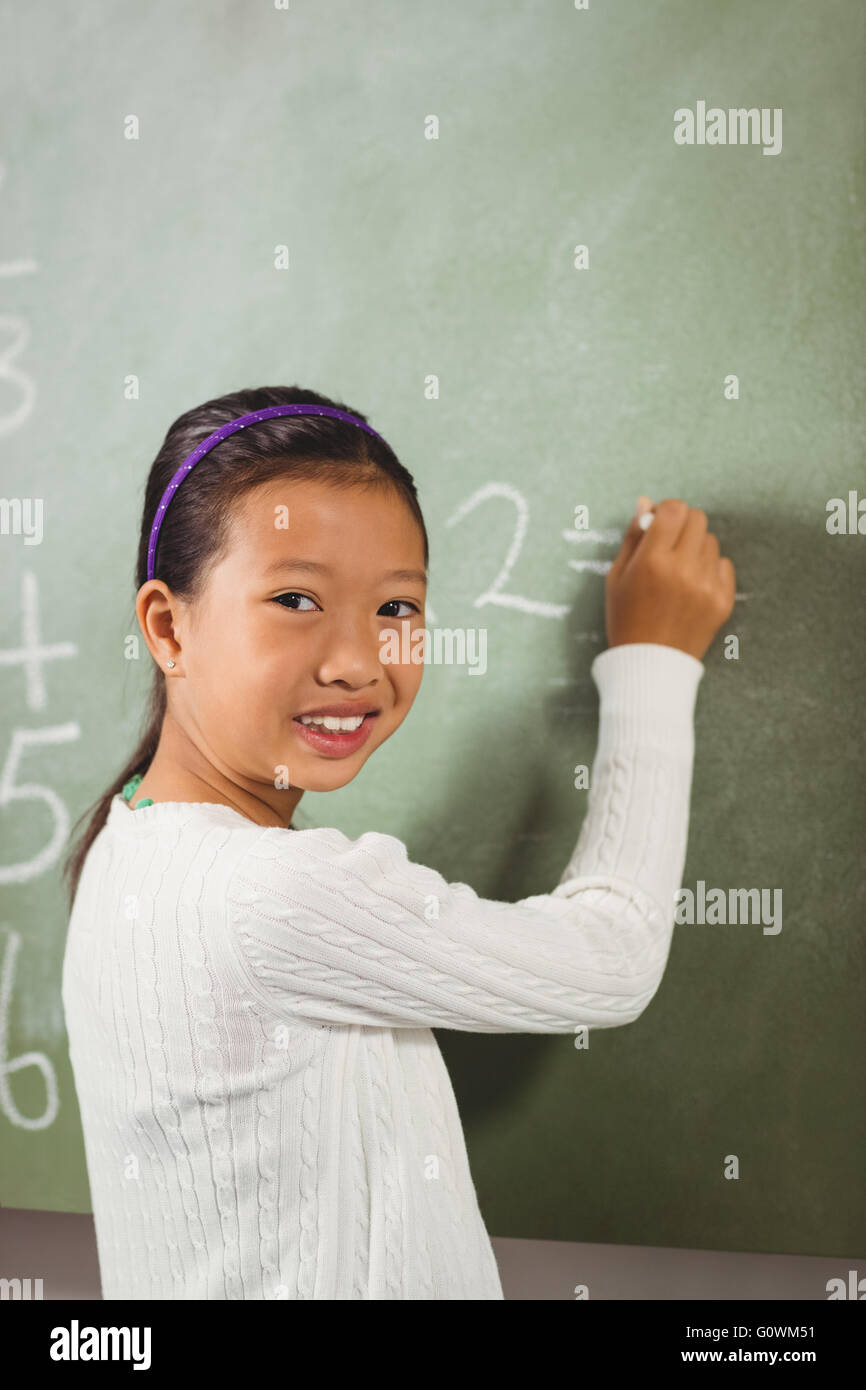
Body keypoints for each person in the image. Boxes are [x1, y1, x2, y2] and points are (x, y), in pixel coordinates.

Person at [61, 383, 735, 1299]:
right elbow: (612, 958)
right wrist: (656, 662)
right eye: (295, 598)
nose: (357, 662)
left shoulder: (124, 843)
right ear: (169, 625)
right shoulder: (270, 893)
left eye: (396, 609)